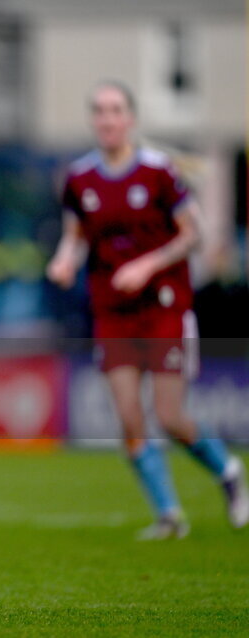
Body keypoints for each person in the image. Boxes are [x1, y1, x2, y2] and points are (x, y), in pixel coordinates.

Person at [47, 80, 249, 539]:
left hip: (163, 307)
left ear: (130, 119)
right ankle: (170, 515)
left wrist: (147, 266)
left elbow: (191, 234)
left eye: (115, 109)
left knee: (171, 417)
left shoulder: (158, 171)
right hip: (113, 311)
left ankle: (228, 472)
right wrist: (64, 260)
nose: (107, 118)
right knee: (129, 421)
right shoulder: (80, 179)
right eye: (99, 110)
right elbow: (75, 235)